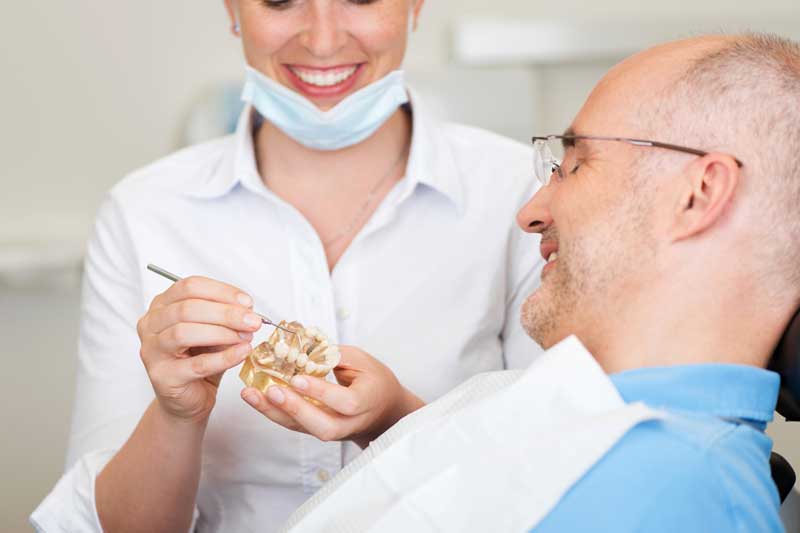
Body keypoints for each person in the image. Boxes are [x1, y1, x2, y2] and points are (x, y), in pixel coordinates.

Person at [252, 33, 800, 532]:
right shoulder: (579, 412)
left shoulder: (676, 496)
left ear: (698, 194)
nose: (531, 213)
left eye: (577, 164)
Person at [30, 1, 543, 532]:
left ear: (414, 5)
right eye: (280, 0)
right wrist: (176, 416)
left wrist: (394, 421)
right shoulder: (142, 213)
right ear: (233, 9)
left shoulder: (523, 198)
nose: (321, 41)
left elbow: (559, 473)